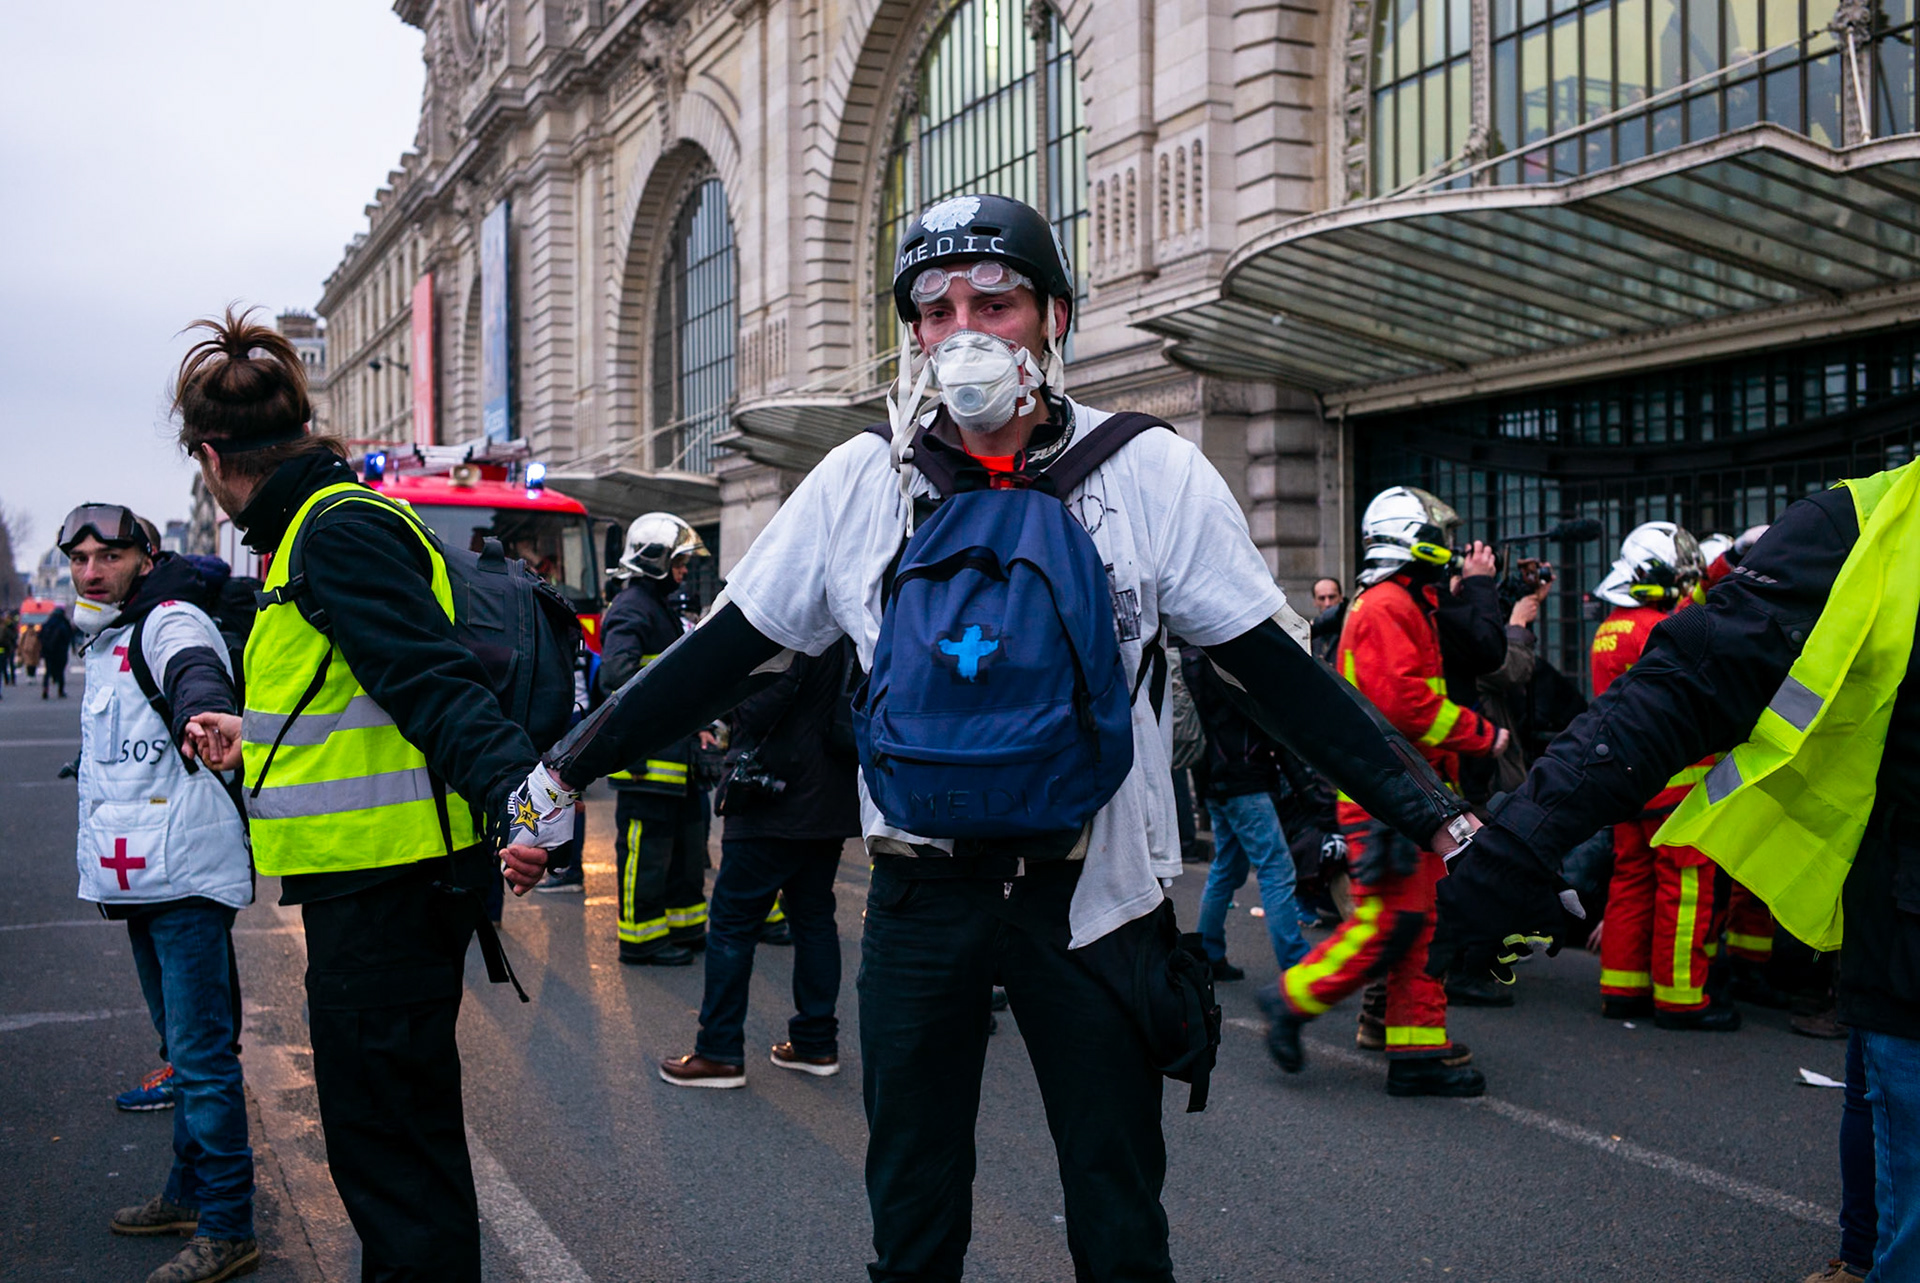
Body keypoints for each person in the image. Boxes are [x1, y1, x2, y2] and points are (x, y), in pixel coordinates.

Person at [497, 193, 1476, 1282]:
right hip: (919, 902)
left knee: (1116, 1203)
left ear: (1054, 314)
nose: (964, 330)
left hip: (1096, 900)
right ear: (910, 330)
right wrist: (560, 768)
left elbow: (1276, 674)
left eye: (997, 302)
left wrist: (1438, 818)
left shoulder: (1150, 473)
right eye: (936, 306)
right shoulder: (860, 483)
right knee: (912, 1212)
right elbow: (725, 652)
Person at [1431, 459, 1920, 1283]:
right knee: (1681, 897)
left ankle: (1630, 986)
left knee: (1634, 890)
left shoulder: (1873, 521)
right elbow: (1673, 693)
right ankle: (1679, 995)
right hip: (1687, 798)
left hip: (1669, 801)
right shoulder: (1877, 528)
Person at [173, 309, 548, 1283]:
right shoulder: (314, 529)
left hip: (395, 891)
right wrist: (249, 735)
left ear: (213, 455)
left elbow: (433, 680)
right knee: (393, 1146)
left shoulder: (334, 531)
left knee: (395, 1157)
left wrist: (524, 796)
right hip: (375, 888)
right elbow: (355, 698)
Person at [60, 503, 256, 1283]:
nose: (88, 570)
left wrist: (204, 710)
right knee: (183, 1053)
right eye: (77, 557)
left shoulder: (170, 620)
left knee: (205, 1058)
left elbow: (192, 670)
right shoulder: (106, 635)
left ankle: (228, 1223)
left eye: (104, 555)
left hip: (184, 879)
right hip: (144, 877)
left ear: (143, 555)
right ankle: (186, 1193)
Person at [1265, 486, 1504, 1097]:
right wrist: (1486, 736)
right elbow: (1407, 704)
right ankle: (1293, 1001)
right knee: (1391, 923)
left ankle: (1416, 1048)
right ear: (1410, 538)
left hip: (1407, 796)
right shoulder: (1388, 606)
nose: (1446, 547)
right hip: (1394, 798)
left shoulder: (1399, 602)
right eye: (1437, 535)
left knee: (1414, 923)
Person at [660, 638, 861, 1086]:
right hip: (828, 803)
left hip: (771, 799)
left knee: (733, 924)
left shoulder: (792, 629)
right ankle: (815, 1043)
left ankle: (719, 1052)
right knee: (814, 920)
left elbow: (757, 710)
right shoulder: (845, 628)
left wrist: (729, 683)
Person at [1583, 521, 1740, 1030]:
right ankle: (1680, 999)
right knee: (1685, 882)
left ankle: (1623, 988)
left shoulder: (1612, 627)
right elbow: (1701, 621)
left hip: (1625, 782)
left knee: (1630, 878)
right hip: (1673, 780)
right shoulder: (1660, 626)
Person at [599, 512, 713, 965]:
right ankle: (640, 939)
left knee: (686, 853)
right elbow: (616, 672)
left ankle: (684, 929)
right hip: (647, 763)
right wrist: (679, 685)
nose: (683, 572)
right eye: (678, 563)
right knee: (646, 855)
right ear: (654, 560)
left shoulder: (659, 605)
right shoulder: (631, 605)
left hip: (676, 762)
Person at [1182, 646, 1311, 981]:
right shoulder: (1226, 656)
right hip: (1244, 777)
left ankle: (1208, 953)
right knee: (1276, 869)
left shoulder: (1190, 657)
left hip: (1214, 777)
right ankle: (1298, 968)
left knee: (1227, 866)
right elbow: (1264, 717)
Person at [1310, 576, 1346, 667]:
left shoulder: (1349, 629)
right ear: (1315, 602)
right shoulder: (1310, 635)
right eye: (1322, 598)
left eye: (1332, 597)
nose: (1327, 604)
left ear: (1341, 598)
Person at [40, 603, 73, 698]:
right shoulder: (64, 623)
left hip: (48, 652)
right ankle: (60, 691)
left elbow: (41, 636)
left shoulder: (47, 623)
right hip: (60, 651)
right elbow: (68, 636)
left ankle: (45, 689)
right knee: (61, 671)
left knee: (47, 671)